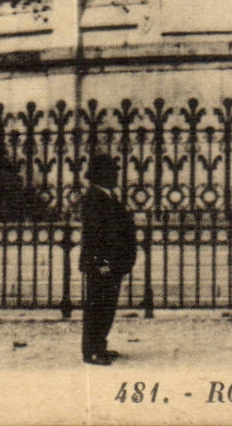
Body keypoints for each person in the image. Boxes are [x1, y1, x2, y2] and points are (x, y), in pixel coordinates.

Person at [79, 153, 136, 365]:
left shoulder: (106, 196)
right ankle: (91, 351)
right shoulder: (95, 199)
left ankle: (99, 345)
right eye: (112, 171)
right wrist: (100, 262)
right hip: (102, 264)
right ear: (101, 175)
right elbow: (94, 236)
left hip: (112, 262)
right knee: (97, 307)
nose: (116, 175)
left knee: (106, 307)